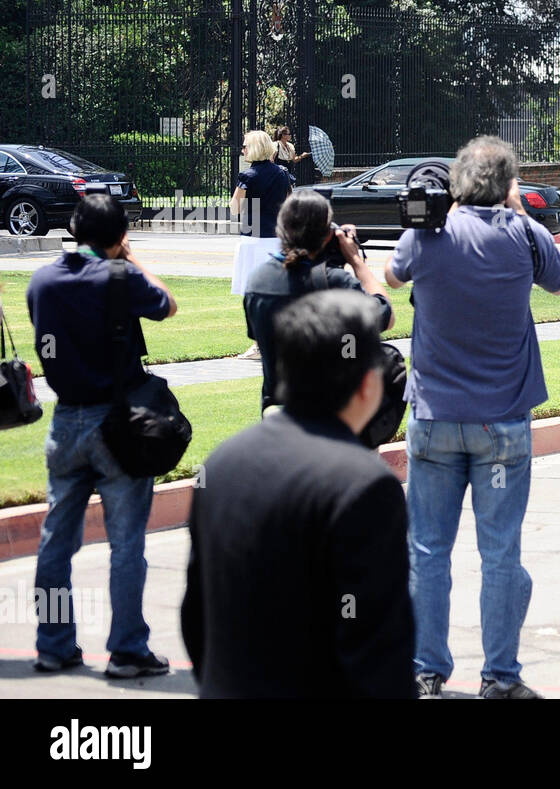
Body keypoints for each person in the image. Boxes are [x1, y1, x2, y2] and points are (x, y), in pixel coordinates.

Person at [385, 135, 560, 700]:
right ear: (509, 183)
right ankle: (500, 676)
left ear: (459, 181)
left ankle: (424, 670)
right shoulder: (523, 234)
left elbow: (393, 278)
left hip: (436, 418)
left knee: (428, 550)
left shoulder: (429, 232)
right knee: (500, 553)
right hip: (501, 424)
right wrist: (515, 211)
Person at [181, 289, 414, 698]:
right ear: (365, 385)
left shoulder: (221, 463)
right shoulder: (365, 485)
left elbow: (196, 617)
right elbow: (378, 648)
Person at [26, 193, 178, 678]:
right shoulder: (120, 276)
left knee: (55, 543)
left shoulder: (42, 281)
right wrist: (131, 258)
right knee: (126, 543)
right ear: (119, 237)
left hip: (66, 420)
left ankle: (54, 644)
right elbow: (168, 306)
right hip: (118, 422)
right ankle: (127, 649)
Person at [243, 189, 394, 413]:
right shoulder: (338, 283)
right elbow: (386, 315)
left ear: (281, 231)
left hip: (277, 412)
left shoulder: (258, 281)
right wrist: (356, 262)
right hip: (329, 415)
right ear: (327, 235)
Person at [229, 129, 294, 357]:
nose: (243, 149)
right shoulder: (282, 173)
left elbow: (235, 208)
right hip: (276, 239)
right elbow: (288, 205)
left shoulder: (248, 176)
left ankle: (258, 343)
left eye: (245, 145)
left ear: (254, 148)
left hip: (253, 239)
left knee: (253, 294)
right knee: (276, 292)